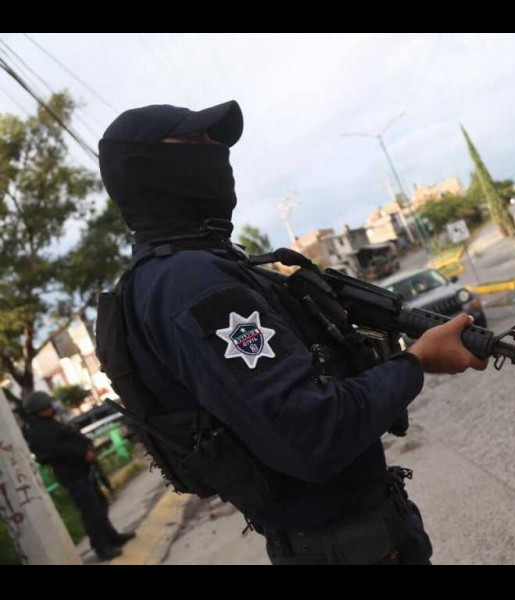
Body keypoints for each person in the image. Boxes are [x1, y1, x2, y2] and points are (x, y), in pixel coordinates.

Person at [95, 100, 486, 565]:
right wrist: (417, 362)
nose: (216, 151)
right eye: (196, 141)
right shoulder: (192, 283)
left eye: (214, 141)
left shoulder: (183, 273)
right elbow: (312, 433)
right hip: (346, 550)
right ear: (146, 169)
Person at [21, 391, 136, 562]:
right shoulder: (39, 429)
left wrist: (86, 447)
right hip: (72, 474)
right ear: (39, 408)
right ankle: (101, 547)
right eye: (46, 405)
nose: (51, 407)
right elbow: (55, 451)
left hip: (81, 469)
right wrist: (82, 452)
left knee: (99, 504)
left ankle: (111, 536)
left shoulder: (48, 423)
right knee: (91, 511)